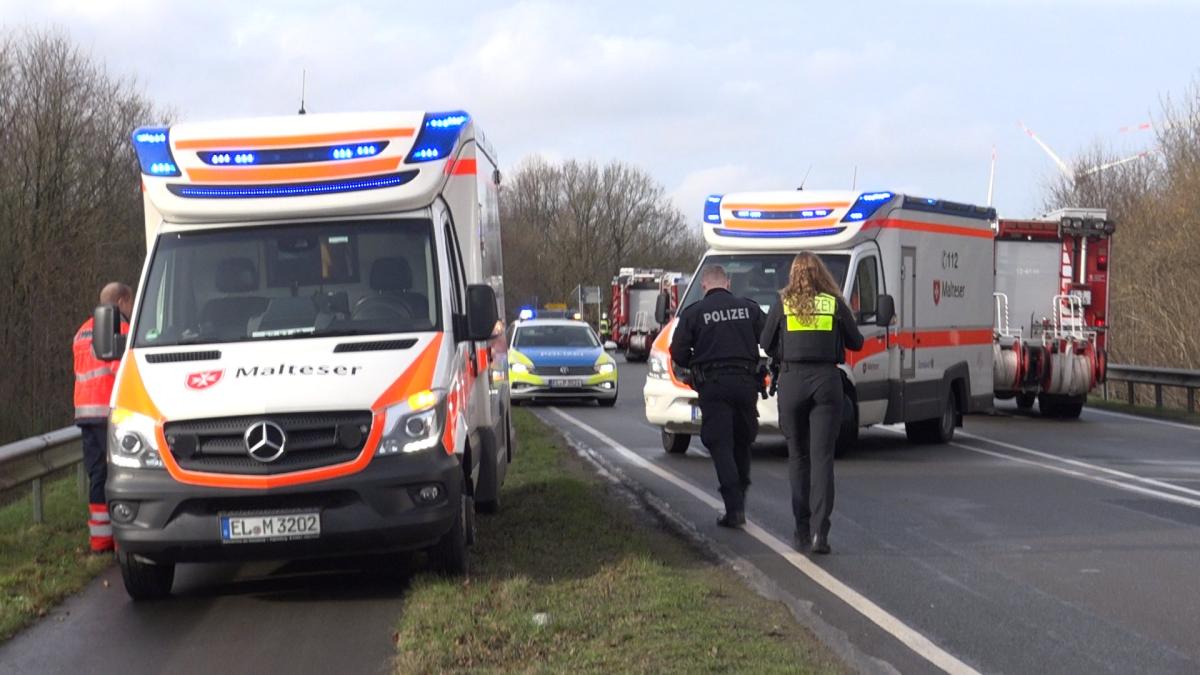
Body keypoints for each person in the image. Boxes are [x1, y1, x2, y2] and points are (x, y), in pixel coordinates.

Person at [761, 253, 863, 555]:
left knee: (798, 458)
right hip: (826, 382)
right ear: (821, 274)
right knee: (822, 460)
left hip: (792, 380)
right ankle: (821, 534)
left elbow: (766, 343)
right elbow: (856, 342)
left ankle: (801, 530)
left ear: (793, 274)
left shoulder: (783, 303)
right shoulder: (833, 303)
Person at [670, 265, 765, 528]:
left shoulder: (694, 313)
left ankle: (734, 508)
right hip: (746, 383)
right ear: (728, 283)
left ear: (703, 285)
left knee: (720, 443)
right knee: (742, 440)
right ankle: (740, 500)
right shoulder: (749, 308)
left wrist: (696, 364)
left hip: (713, 384)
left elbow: (677, 352)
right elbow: (770, 338)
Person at [72, 282, 133, 553]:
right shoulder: (121, 329)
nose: (131, 310)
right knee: (121, 473)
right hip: (110, 413)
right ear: (121, 302)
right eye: (129, 304)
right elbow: (125, 375)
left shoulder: (81, 331)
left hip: (85, 414)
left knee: (97, 474)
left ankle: (99, 539)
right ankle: (122, 538)